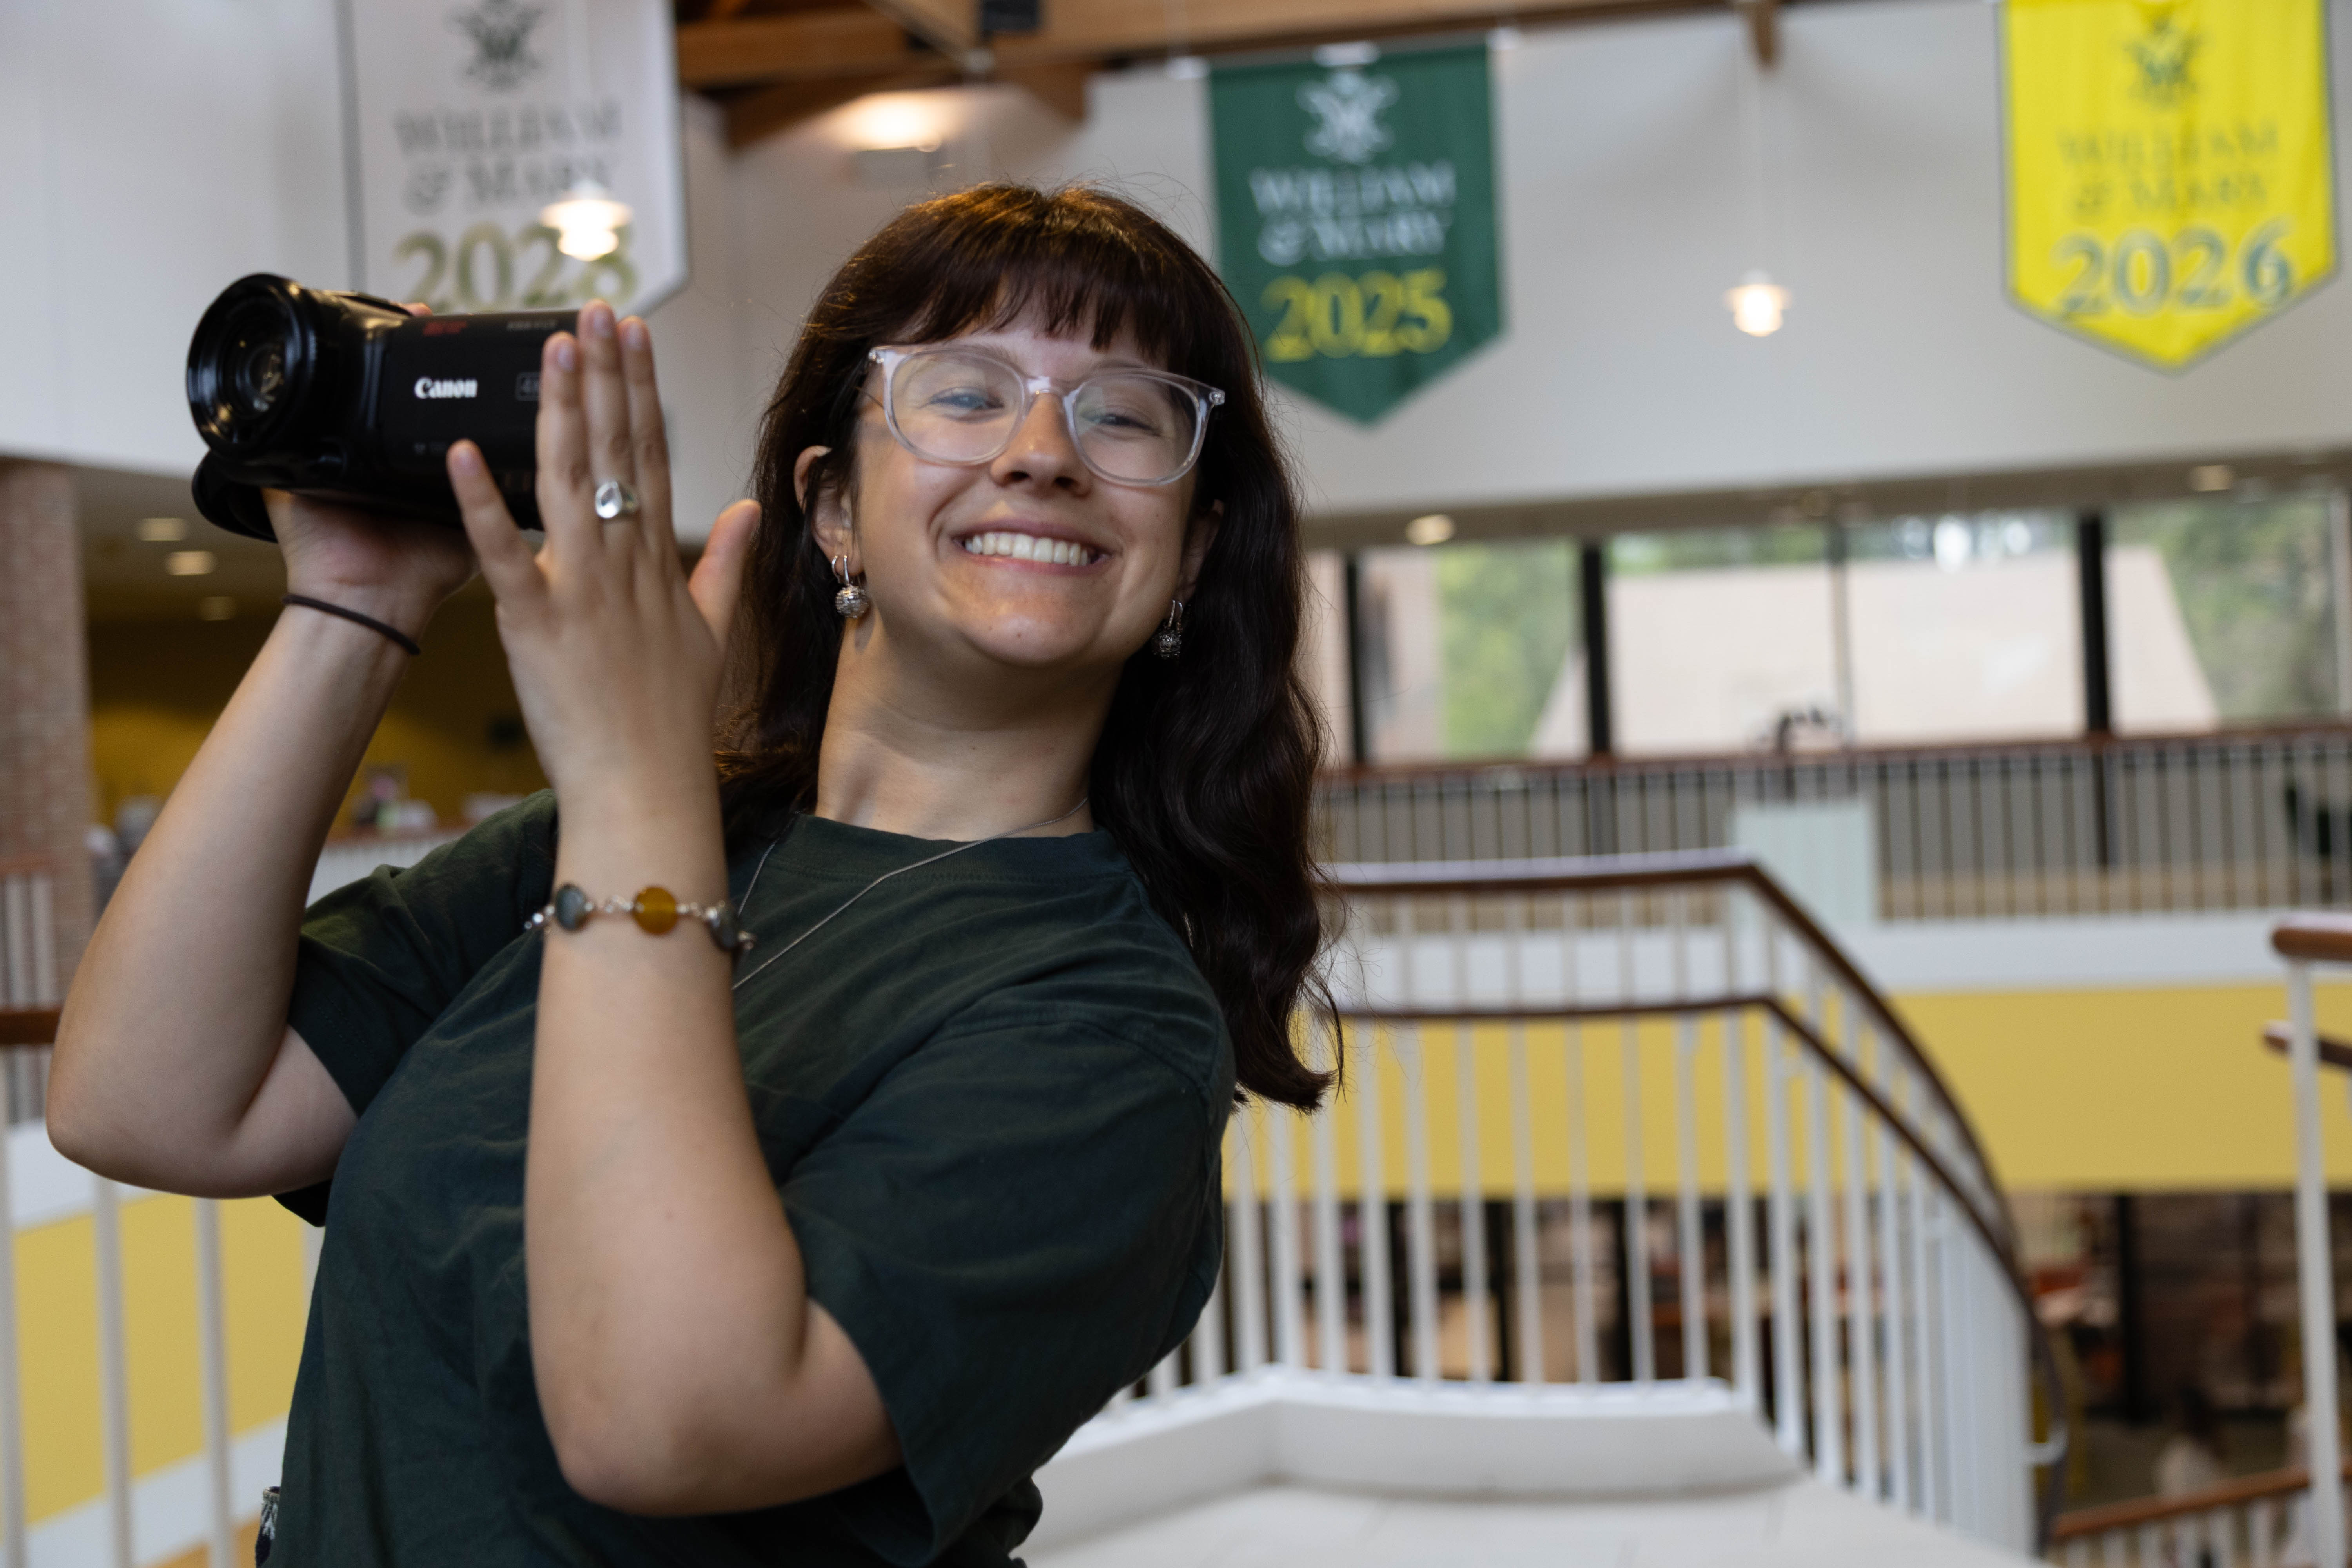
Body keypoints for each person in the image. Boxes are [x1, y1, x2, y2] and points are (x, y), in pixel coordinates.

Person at [47, 183, 1332, 1565]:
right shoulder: (619, 840)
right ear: (831, 508)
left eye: (1125, 415)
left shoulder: (1111, 1029)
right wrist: (354, 606)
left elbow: (664, 1425)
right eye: (964, 393)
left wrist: (633, 790)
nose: (1041, 453)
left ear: (1191, 555)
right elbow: (151, 1105)